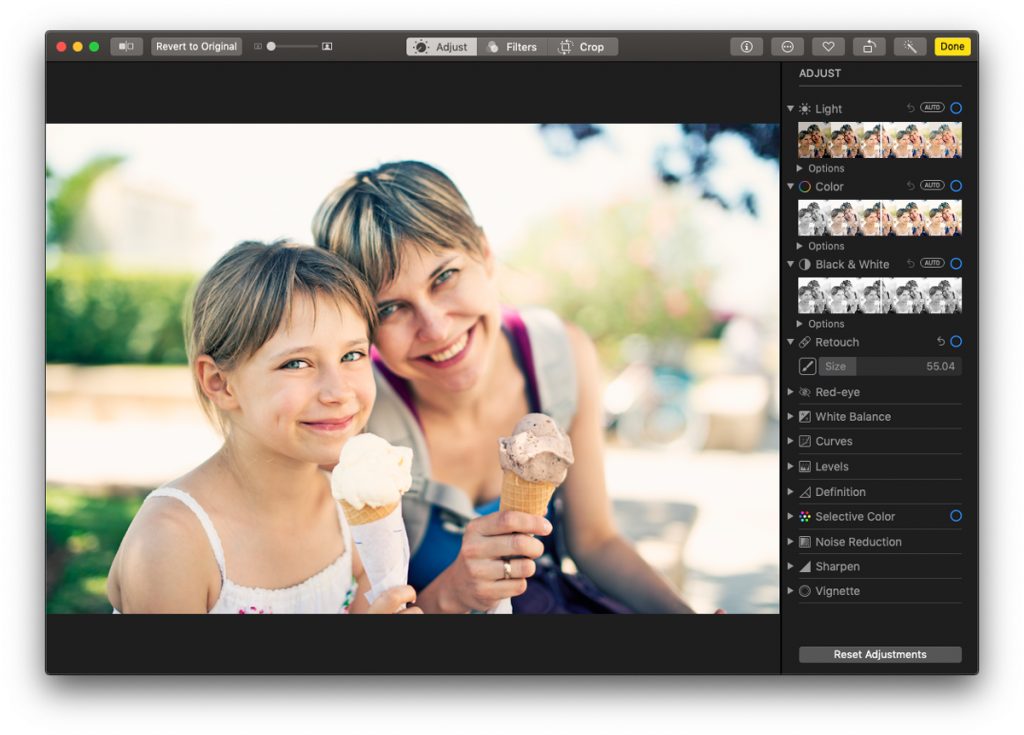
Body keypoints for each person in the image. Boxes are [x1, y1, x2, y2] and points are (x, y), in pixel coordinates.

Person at [313, 161, 702, 614]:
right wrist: (453, 593)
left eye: (445, 277)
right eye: (391, 309)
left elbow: (594, 540)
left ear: (484, 252)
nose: (436, 327)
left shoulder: (560, 358)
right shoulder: (352, 421)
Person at [107, 241, 421, 615]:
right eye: (296, 363)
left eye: (351, 355)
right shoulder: (172, 540)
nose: (338, 391)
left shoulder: (353, 511)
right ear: (221, 383)